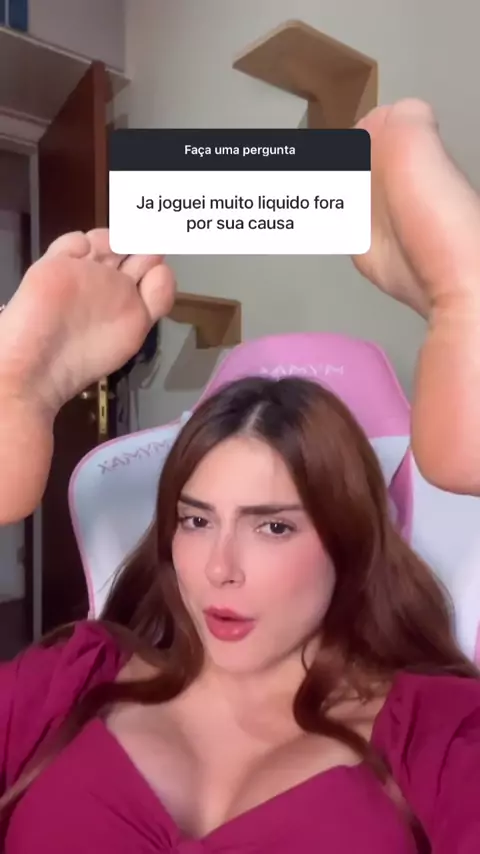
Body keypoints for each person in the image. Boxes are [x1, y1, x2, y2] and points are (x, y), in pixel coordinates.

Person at [0, 96, 479, 852]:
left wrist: (468, 293)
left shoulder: (439, 739)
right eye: (195, 520)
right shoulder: (68, 682)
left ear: (352, 539)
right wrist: (9, 387)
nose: (218, 568)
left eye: (274, 526)